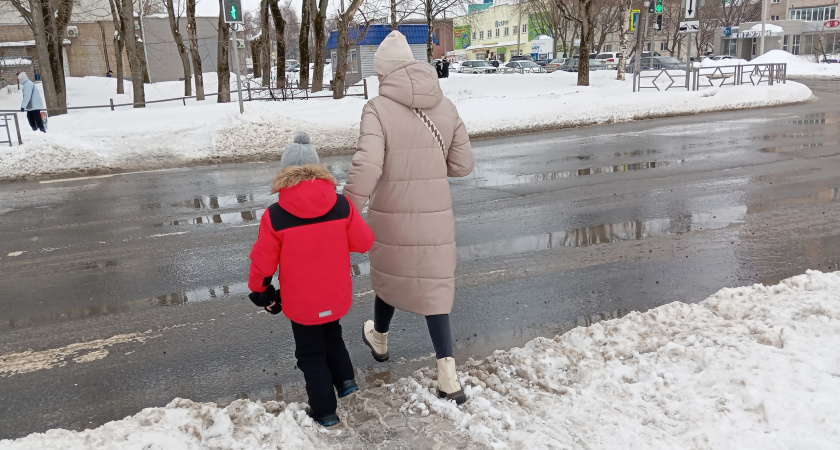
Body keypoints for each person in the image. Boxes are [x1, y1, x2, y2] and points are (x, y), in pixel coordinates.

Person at [343, 31, 475, 405]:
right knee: (435, 289)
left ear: (383, 74)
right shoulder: (445, 105)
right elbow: (463, 164)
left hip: (392, 216)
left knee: (389, 277)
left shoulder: (376, 108)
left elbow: (367, 164)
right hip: (436, 216)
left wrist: (346, 208)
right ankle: (448, 377)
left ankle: (380, 340)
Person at [247, 131, 375, 427]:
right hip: (335, 292)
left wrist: (261, 292)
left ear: (285, 174)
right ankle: (345, 382)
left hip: (301, 300)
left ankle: (324, 411)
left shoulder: (276, 215)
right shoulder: (341, 205)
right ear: (319, 171)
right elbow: (364, 242)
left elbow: (263, 261)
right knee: (332, 334)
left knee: (310, 352)